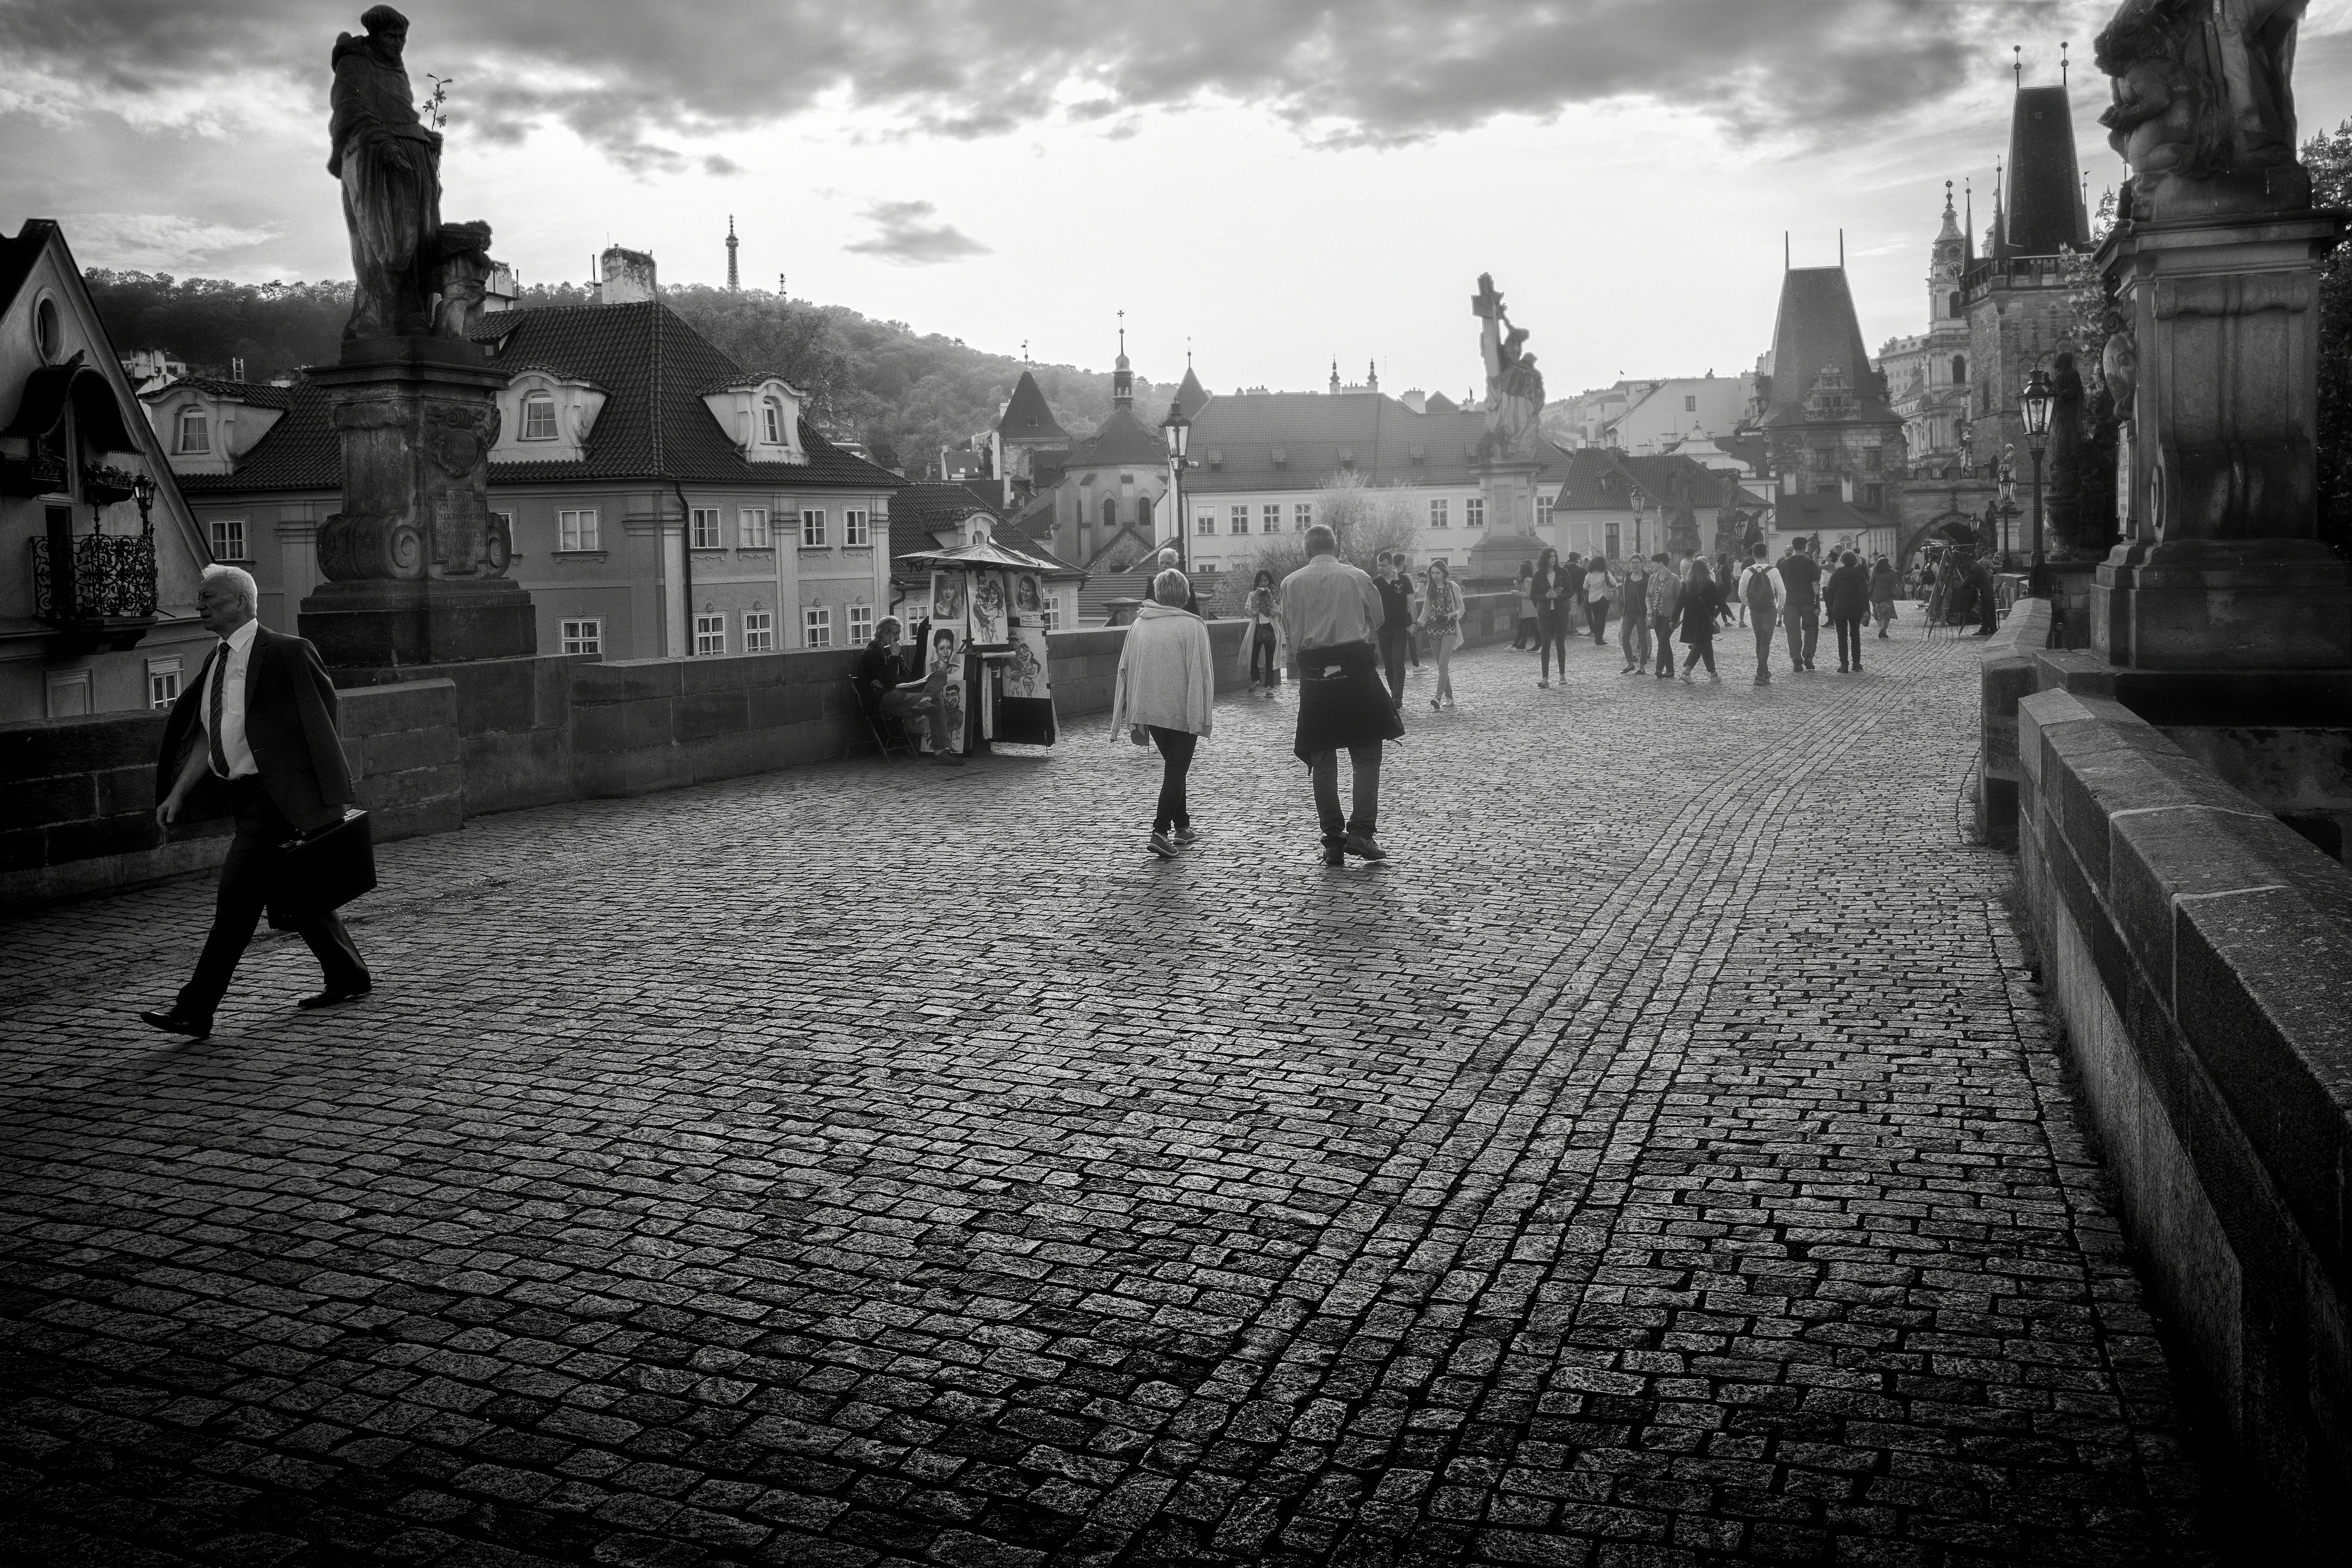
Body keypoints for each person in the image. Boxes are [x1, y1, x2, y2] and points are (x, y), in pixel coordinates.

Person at [141, 566, 372, 1039]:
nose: (201, 605)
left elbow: (324, 719)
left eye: (211, 598)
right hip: (244, 796)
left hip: (279, 798)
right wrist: (178, 793)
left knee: (236, 902)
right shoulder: (214, 662)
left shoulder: (287, 651)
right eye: (201, 598)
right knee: (298, 890)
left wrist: (322, 796)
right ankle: (349, 974)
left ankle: (195, 1008)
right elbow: (209, 734)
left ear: (243, 603)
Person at [1281, 524, 1402, 866]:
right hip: (1355, 672)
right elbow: (1377, 619)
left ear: (1307, 551)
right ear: (1337, 548)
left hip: (1315, 678)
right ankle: (1362, 832)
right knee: (1366, 755)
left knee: (1322, 760)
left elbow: (1290, 632)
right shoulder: (1357, 576)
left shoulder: (1291, 583)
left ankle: (1333, 839)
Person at [1109, 569, 1215, 859]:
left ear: (1158, 593)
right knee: (1176, 770)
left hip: (1149, 708)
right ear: (1185, 595)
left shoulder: (1140, 625)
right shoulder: (1193, 626)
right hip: (1181, 708)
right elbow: (1203, 674)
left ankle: (1183, 827)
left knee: (1174, 767)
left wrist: (1126, 713)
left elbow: (1125, 668)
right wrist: (1202, 711)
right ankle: (1160, 831)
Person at [858, 616, 948, 757]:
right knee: (938, 702)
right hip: (885, 699)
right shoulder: (870, 654)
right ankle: (941, 752)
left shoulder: (894, 651)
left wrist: (891, 680)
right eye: (895, 634)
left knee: (940, 675)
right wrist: (894, 658)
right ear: (883, 633)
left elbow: (907, 677)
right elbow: (889, 682)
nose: (898, 637)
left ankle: (927, 699)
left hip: (901, 690)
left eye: (899, 634)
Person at [1419, 559, 1464, 710]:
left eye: (1438, 573)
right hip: (1433, 630)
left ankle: (1437, 697)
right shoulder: (1430, 588)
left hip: (1449, 628)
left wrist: (1452, 615)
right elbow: (1426, 611)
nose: (1435, 576)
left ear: (1444, 573)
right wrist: (1417, 625)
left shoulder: (1453, 587)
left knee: (1443, 664)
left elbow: (1461, 608)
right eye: (1433, 573)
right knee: (1441, 666)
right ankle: (1449, 698)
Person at [1739, 540, 1785, 685]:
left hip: (1755, 611)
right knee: (1765, 643)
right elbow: (1782, 592)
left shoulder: (1747, 572)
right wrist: (1779, 606)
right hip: (1769, 610)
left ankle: (1765, 673)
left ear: (1753, 555)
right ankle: (1760, 674)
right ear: (1766, 554)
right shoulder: (1773, 571)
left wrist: (1749, 604)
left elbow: (1741, 594)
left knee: (1759, 641)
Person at [1374, 555, 1414, 707]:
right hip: (1383, 628)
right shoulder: (1376, 583)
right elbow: (1370, 604)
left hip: (1400, 627)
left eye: (1383, 565)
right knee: (1389, 665)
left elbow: (1411, 602)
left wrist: (1415, 623)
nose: (1380, 568)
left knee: (1398, 662)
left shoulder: (1403, 580)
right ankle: (1394, 693)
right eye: (1379, 565)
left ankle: (1397, 697)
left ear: (1392, 565)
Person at [1677, 554, 1723, 683]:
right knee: (1701, 644)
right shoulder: (1709, 585)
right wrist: (1729, 614)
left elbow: (1679, 604)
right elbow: (1719, 601)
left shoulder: (1687, 585)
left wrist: (1674, 619)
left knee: (1707, 646)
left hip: (1691, 621)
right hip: (1705, 621)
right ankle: (1687, 671)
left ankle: (1714, 674)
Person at [1778, 537, 1822, 672]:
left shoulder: (1785, 563)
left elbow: (1781, 586)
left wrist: (1781, 604)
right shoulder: (1810, 563)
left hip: (1790, 602)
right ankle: (1808, 657)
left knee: (1793, 632)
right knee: (1810, 629)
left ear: (1793, 546)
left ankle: (1797, 659)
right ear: (1805, 547)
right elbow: (1815, 585)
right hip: (1808, 602)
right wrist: (1818, 603)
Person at [1825, 548, 1872, 672]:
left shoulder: (1838, 573)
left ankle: (1844, 664)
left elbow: (1830, 591)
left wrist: (1832, 605)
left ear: (1843, 561)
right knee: (1855, 635)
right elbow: (1863, 594)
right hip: (1856, 608)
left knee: (1842, 637)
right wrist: (1866, 609)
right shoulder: (1859, 574)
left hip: (1839, 607)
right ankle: (1856, 663)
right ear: (1855, 561)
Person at [1531, 548, 1570, 688]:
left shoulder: (1563, 573)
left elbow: (1570, 593)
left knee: (1560, 643)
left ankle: (1562, 675)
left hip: (1561, 613)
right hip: (1544, 614)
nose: (1553, 559)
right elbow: (1533, 596)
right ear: (1544, 559)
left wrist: (1558, 596)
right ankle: (1545, 679)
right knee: (1546, 644)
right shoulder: (1538, 575)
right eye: (1550, 557)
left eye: (1555, 556)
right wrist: (1546, 597)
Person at [1240, 569, 1283, 693]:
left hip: (1271, 628)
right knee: (1253, 656)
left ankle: (1269, 687)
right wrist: (1255, 599)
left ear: (1270, 581)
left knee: (1270, 659)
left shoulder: (1275, 595)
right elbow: (1251, 612)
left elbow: (1277, 613)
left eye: (1266, 580)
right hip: (1257, 628)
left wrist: (1270, 599)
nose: (1264, 583)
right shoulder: (1252, 594)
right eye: (1261, 581)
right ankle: (1256, 680)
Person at [1646, 552, 1680, 682]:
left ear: (1661, 564)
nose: (1651, 565)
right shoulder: (1653, 578)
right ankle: (1670, 670)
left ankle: (1659, 669)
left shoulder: (1674, 579)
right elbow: (1648, 596)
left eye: (1653, 563)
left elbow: (1680, 600)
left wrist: (1677, 618)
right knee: (1664, 641)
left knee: (1663, 639)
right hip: (1657, 616)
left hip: (1670, 616)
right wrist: (1649, 609)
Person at [1617, 554, 1651, 673]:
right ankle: (1630, 663)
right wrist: (1622, 608)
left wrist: (1650, 611)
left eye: (1637, 563)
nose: (1635, 565)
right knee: (1625, 637)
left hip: (1642, 614)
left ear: (1642, 564)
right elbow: (1623, 594)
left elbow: (1650, 595)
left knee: (1642, 640)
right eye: (1633, 563)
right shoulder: (1627, 576)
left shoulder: (1647, 577)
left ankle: (1642, 667)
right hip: (1628, 613)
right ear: (1630, 564)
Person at [1584, 553, 1617, 645]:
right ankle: (1599, 639)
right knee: (1602, 619)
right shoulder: (1606, 573)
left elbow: (1585, 587)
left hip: (1592, 599)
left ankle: (1596, 637)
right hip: (1603, 598)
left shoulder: (1589, 575)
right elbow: (1614, 583)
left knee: (1596, 618)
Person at [1967, 553, 2000, 635]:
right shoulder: (1977, 565)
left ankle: (1992, 629)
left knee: (1989, 611)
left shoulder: (1976, 567)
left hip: (1986, 592)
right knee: (1986, 611)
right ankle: (1986, 628)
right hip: (1986, 591)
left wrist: (1964, 586)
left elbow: (1970, 580)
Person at [1870, 555, 1900, 638]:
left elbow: (1871, 584)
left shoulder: (1875, 573)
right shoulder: (1892, 573)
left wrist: (1869, 595)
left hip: (1876, 597)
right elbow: (1896, 583)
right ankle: (1884, 630)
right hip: (1887, 597)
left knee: (1878, 615)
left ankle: (1881, 629)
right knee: (1887, 615)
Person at [1511, 561, 1538, 651]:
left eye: (1520, 569)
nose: (1518, 571)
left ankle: (1515, 646)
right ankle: (1520, 645)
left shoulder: (1527, 580)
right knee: (1526, 628)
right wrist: (1518, 586)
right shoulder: (1526, 580)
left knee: (1532, 628)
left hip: (1529, 608)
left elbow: (1529, 594)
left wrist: (1517, 593)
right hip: (1527, 609)